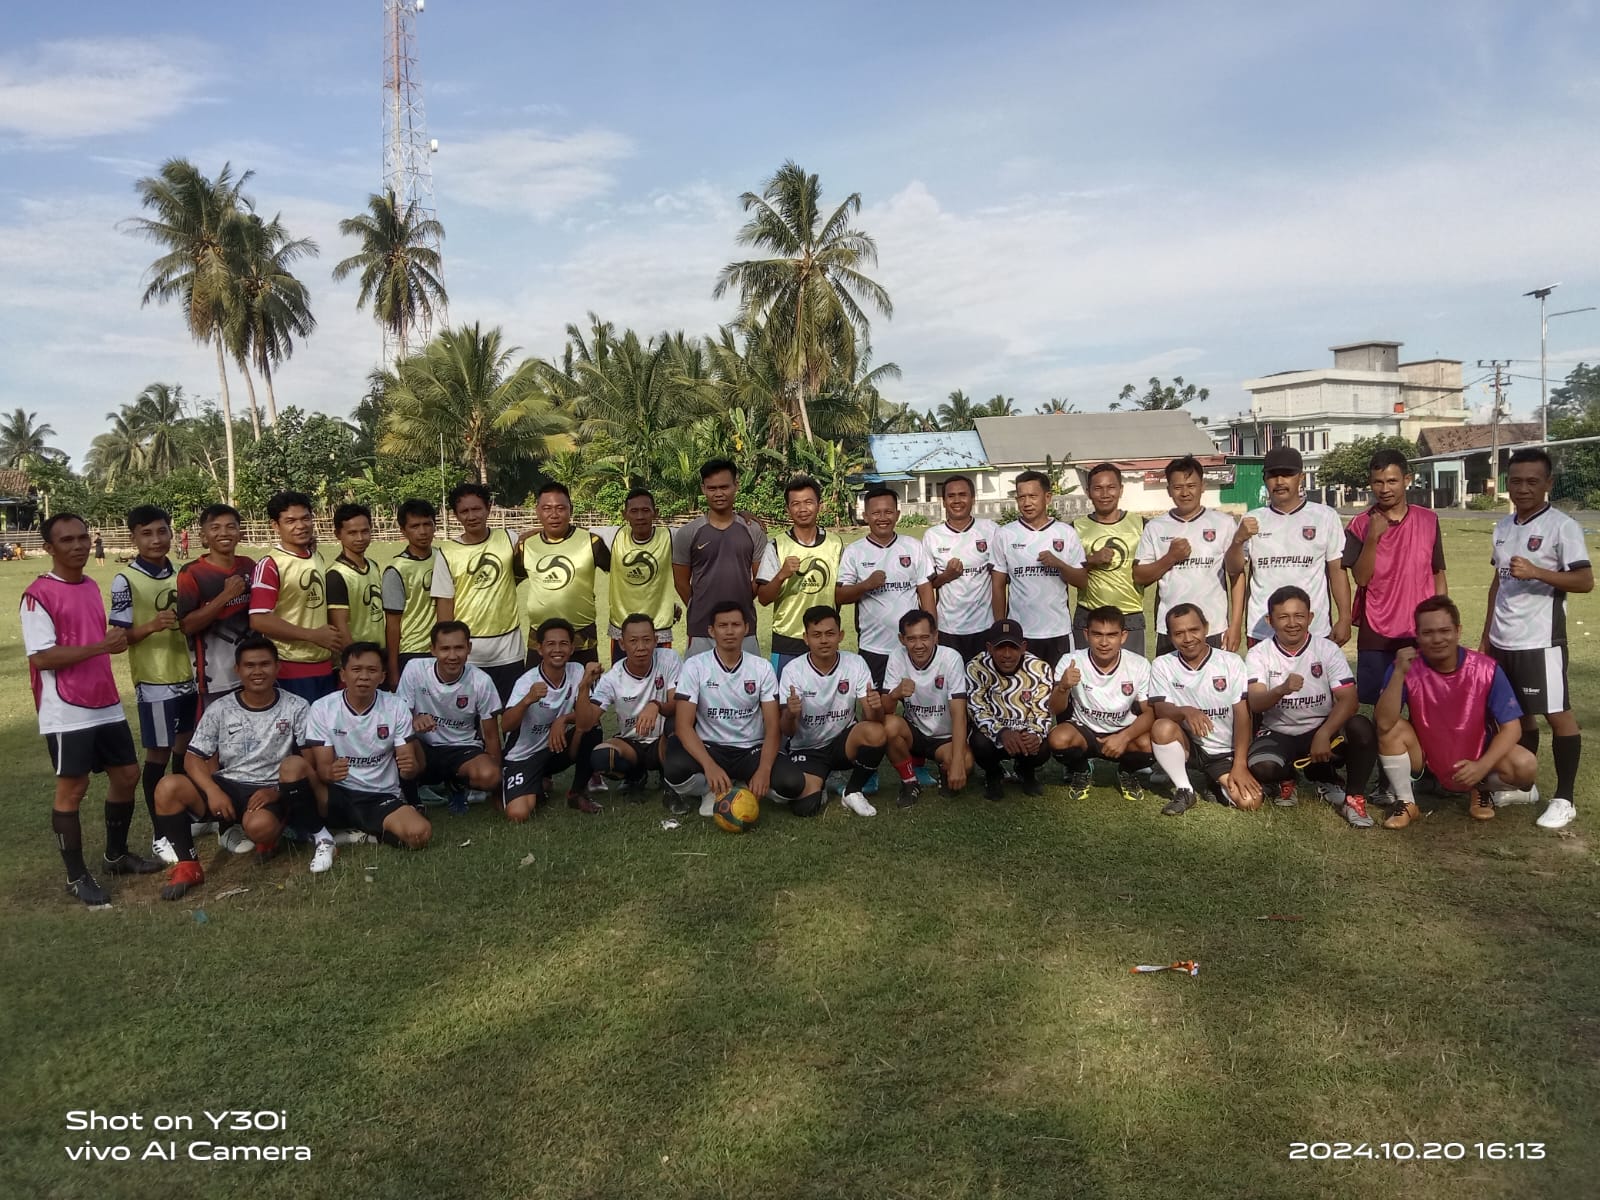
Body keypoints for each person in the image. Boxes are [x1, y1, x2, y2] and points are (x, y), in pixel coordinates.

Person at [22, 512, 160, 906]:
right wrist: (102, 646)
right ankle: (75, 875)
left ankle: (115, 855)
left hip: (104, 699)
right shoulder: (38, 595)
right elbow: (43, 658)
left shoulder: (87, 585)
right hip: (66, 707)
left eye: (83, 537)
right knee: (73, 788)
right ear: (49, 548)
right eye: (66, 540)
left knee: (127, 774)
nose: (78, 545)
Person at [151, 636, 320, 899]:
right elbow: (192, 758)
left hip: (268, 787)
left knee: (259, 829)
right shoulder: (220, 708)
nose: (257, 671)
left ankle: (276, 830)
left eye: (265, 664)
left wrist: (278, 791)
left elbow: (308, 762)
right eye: (250, 665)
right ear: (237, 670)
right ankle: (189, 865)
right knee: (167, 787)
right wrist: (212, 790)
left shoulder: (297, 706)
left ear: (277, 668)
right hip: (227, 784)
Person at [1480, 447, 1593, 830]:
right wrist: (1485, 638)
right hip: (1502, 640)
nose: (1523, 488)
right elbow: (1498, 583)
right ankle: (1526, 787)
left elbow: (1584, 581)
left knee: (1557, 715)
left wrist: (1538, 572)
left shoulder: (1563, 527)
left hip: (1540, 641)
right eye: (1516, 481)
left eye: (1532, 481)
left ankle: (1565, 798)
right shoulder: (1503, 527)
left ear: (1548, 483)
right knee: (1517, 715)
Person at [1378, 596, 1538, 829]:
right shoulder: (1404, 666)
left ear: (1458, 630)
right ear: (1418, 634)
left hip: (1476, 754)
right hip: (1424, 755)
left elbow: (1512, 728)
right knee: (1392, 729)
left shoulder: (1486, 668)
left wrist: (1483, 765)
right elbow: (1383, 724)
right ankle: (1406, 802)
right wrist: (1399, 674)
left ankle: (1481, 788)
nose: (1437, 639)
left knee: (1526, 765)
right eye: (1428, 632)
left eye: (1445, 630)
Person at [109, 505, 201, 860]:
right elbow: (117, 638)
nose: (156, 539)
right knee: (158, 757)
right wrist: (151, 626)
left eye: (162, 531)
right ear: (133, 537)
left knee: (185, 751)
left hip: (187, 677)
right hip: (155, 680)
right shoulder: (126, 579)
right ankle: (160, 833)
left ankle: (183, 815)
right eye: (146, 533)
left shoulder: (179, 574)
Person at [1244, 586, 1378, 828]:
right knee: (1262, 767)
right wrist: (1281, 689)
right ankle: (1288, 779)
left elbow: (1350, 700)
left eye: (1299, 616)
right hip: (1279, 731)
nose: (1292, 623)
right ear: (1269, 620)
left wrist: (1324, 733)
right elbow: (1255, 702)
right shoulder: (1258, 653)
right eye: (1283, 617)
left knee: (1361, 727)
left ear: (1310, 618)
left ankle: (1353, 797)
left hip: (1322, 729)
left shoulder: (1327, 649)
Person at [662, 600, 806, 816]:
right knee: (674, 771)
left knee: (793, 784)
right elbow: (683, 725)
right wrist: (709, 766)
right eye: (722, 626)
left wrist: (764, 770)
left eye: (736, 625)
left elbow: (773, 725)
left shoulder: (761, 668)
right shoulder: (695, 666)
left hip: (751, 749)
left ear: (746, 628)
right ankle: (711, 790)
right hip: (710, 746)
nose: (729, 631)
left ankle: (744, 786)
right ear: (712, 631)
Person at [304, 642, 431, 870]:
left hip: (379, 796)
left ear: (382, 676)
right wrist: (330, 772)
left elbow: (409, 767)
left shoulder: (396, 706)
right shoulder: (322, 708)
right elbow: (322, 769)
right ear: (343, 674)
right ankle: (322, 837)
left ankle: (364, 836)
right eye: (356, 670)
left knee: (419, 834)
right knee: (293, 767)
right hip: (338, 793)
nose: (363, 677)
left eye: (371, 671)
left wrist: (410, 768)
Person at [1343, 449, 1446, 704]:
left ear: (1407, 480)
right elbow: (1361, 578)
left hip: (1420, 628)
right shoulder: (1359, 524)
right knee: (1380, 708)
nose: (1385, 488)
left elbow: (1437, 573)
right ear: (1370, 483)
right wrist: (1372, 538)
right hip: (1377, 631)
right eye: (1378, 482)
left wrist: (1442, 617)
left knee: (1424, 704)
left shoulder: (1428, 520)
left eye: (1392, 481)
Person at [1226, 446, 1351, 649]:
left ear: (1300, 477)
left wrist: (1345, 617)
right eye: (1273, 475)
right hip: (1263, 630)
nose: (1280, 481)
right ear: (1264, 479)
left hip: (1313, 629)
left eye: (1287, 474)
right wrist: (1238, 540)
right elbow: (1233, 569)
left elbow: (1337, 570)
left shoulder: (1325, 516)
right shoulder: (1253, 519)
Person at [1147, 604, 1260, 816]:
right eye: (1179, 633)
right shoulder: (1163, 664)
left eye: (1194, 630)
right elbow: (1161, 709)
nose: (1188, 638)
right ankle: (1185, 790)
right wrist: (1186, 711)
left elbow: (1243, 715)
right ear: (1170, 636)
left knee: (1250, 802)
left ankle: (1215, 781)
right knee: (1162, 727)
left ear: (1206, 628)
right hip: (1192, 746)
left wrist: (1240, 764)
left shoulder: (1231, 662)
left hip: (1224, 751)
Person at [778, 605, 889, 818]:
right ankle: (821, 782)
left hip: (842, 745)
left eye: (830, 634)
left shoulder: (855, 663)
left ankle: (853, 790)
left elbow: (873, 719)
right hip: (808, 749)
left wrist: (876, 708)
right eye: (816, 635)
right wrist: (791, 714)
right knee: (805, 809)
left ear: (841, 635)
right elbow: (788, 731)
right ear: (805, 638)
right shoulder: (793, 670)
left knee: (876, 732)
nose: (824, 640)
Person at [1134, 456, 1243, 655]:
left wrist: (1235, 625)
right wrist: (1170, 558)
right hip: (1171, 629)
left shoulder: (1224, 523)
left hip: (1214, 626)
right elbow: (1140, 576)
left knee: (1214, 685)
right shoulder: (1156, 527)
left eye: (1191, 485)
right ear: (1168, 490)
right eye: (1178, 487)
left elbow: (1237, 576)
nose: (1185, 493)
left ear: (1203, 486)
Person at [1046, 606, 1156, 803]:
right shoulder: (1071, 661)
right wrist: (1063, 687)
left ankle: (1127, 771)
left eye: (1111, 635)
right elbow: (1054, 709)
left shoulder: (1139, 665)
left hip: (1123, 731)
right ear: (1086, 634)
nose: (1104, 642)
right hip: (1085, 732)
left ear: (1123, 636)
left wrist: (1124, 737)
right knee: (1057, 739)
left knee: (1151, 744)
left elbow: (1149, 713)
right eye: (1097, 634)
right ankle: (1081, 769)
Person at [431, 482, 528, 702]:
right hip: (469, 650)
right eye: (464, 511)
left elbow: (532, 542)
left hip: (508, 648)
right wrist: (448, 649)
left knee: (512, 712)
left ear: (488, 508)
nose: (471, 516)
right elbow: (445, 605)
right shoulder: (447, 553)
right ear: (455, 515)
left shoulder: (508, 538)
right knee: (470, 716)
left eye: (476, 509)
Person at [500, 619, 606, 819]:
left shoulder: (577, 671)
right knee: (519, 814)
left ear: (572, 648)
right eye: (551, 644)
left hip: (554, 748)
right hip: (524, 756)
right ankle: (525, 784)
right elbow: (506, 725)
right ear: (539, 649)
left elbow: (586, 721)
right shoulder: (527, 682)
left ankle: (576, 793)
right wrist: (527, 701)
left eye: (563, 643)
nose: (557, 649)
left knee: (594, 728)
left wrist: (579, 693)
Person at [396, 621, 503, 815]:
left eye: (459, 648)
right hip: (424, 748)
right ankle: (411, 797)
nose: (452, 656)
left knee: (490, 775)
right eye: (445, 649)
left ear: (469, 648)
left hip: (462, 748)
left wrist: (497, 789)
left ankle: (457, 784)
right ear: (433, 650)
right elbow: (397, 719)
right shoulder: (414, 669)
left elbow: (492, 735)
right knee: (400, 747)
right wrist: (414, 720)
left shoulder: (481, 681)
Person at [576, 612, 683, 805]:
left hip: (661, 741)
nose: (641, 647)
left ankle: (670, 780)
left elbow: (677, 704)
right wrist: (584, 686)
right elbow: (585, 724)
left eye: (646, 640)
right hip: (631, 742)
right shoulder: (612, 677)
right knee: (601, 757)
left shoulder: (669, 659)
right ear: (622, 644)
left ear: (656, 640)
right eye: (633, 641)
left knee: (677, 724)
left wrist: (656, 705)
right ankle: (635, 776)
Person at [836, 488, 935, 689]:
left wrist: (932, 632)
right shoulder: (854, 552)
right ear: (865, 516)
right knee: (875, 706)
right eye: (876, 513)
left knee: (921, 702)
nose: (883, 518)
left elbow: (926, 591)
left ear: (898, 514)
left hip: (912, 645)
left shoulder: (913, 546)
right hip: (873, 647)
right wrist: (866, 585)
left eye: (888, 512)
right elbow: (839, 596)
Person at [249, 490, 343, 702]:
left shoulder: (316, 556)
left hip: (324, 664)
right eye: (290, 521)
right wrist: (313, 635)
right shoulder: (271, 564)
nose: (300, 526)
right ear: (275, 526)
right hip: (290, 667)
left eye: (305, 518)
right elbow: (259, 619)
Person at [673, 458, 768, 657]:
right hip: (701, 629)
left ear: (736, 486)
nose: (718, 494)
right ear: (703, 489)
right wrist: (700, 605)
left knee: (747, 685)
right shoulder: (688, 533)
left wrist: (739, 599)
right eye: (712, 488)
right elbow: (681, 582)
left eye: (724, 487)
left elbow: (760, 579)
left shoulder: (753, 530)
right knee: (699, 686)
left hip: (744, 628)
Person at [994, 470, 1086, 668]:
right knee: (1022, 692)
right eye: (1021, 497)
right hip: (1020, 633)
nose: (1027, 503)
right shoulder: (1006, 534)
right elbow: (998, 585)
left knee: (1059, 689)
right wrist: (1001, 626)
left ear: (1048, 497)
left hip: (1058, 631)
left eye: (1033, 496)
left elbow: (1081, 581)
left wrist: (1059, 563)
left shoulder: (1066, 533)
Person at [882, 609, 973, 804]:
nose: (919, 645)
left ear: (935, 636)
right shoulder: (897, 657)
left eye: (925, 637)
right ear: (901, 639)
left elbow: (959, 714)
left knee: (965, 763)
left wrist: (956, 762)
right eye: (911, 639)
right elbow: (885, 710)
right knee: (888, 725)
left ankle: (945, 768)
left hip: (944, 739)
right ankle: (909, 781)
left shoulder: (950, 658)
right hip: (914, 732)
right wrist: (895, 693)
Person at [757, 476, 843, 678]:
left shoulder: (835, 544)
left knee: (824, 703)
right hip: (787, 638)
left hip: (825, 638)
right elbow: (763, 598)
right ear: (788, 509)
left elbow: (842, 592)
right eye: (795, 504)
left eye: (808, 502)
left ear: (819, 506)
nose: (802, 509)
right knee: (787, 705)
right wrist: (781, 576)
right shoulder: (777, 546)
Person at [522, 481, 610, 667]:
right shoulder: (526, 546)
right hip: (539, 636)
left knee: (585, 690)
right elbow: (506, 583)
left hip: (582, 635)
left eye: (560, 508)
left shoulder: (591, 542)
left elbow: (620, 577)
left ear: (571, 509)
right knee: (538, 692)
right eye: (547, 508)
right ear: (537, 511)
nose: (554, 515)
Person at [965, 618, 1055, 800]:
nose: (1007, 654)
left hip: (1024, 731)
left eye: (1013, 647)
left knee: (1045, 745)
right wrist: (1002, 733)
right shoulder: (976, 667)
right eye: (1000, 647)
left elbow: (1042, 711)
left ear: (1023, 647)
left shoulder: (1040, 668)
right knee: (978, 742)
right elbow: (976, 708)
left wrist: (1034, 735)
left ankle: (1026, 771)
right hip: (995, 734)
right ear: (989, 647)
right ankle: (993, 773)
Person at [177, 504, 255, 711]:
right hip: (216, 679)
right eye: (215, 528)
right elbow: (187, 625)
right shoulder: (191, 573)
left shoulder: (250, 566)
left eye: (231, 527)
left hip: (254, 674)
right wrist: (225, 596)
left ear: (240, 533)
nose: (224, 533)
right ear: (204, 536)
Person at [922, 474, 1001, 664]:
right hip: (949, 628)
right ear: (943, 501)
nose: (957, 500)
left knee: (984, 683)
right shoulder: (932, 536)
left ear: (973, 498)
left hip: (984, 626)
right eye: (951, 496)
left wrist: (999, 626)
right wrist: (947, 575)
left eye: (962, 495)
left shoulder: (991, 530)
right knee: (952, 687)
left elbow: (1000, 579)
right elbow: (927, 585)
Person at [1072, 464, 1147, 655]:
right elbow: (1066, 572)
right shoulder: (1074, 528)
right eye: (1098, 488)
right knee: (1086, 679)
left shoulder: (1141, 525)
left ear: (1121, 490)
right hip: (1089, 616)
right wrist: (1091, 560)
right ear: (1088, 492)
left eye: (1111, 487)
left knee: (1131, 680)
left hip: (1129, 616)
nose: (1105, 494)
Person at [607, 488, 677, 663]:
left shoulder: (670, 536)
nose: (640, 516)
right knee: (623, 681)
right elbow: (571, 533)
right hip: (623, 629)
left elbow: (705, 527)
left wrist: (739, 515)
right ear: (625, 514)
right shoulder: (613, 536)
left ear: (656, 513)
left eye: (645, 510)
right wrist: (530, 534)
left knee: (661, 682)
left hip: (658, 628)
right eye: (634, 511)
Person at [383, 498, 439, 689]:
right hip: (411, 652)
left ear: (435, 525)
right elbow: (392, 623)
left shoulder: (444, 558)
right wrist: (393, 669)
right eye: (415, 526)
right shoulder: (396, 569)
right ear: (403, 530)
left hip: (443, 650)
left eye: (427, 524)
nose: (422, 531)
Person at [326, 504, 386, 677]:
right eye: (352, 533)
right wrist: (357, 665)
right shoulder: (336, 575)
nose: (360, 538)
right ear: (338, 534)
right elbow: (340, 626)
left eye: (365, 531)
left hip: (377, 656)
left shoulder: (373, 566)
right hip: (357, 663)